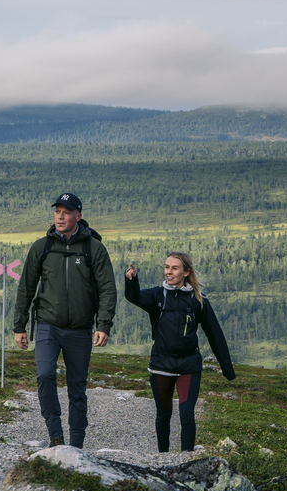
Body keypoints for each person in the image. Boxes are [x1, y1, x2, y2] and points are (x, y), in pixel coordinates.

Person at [13, 192, 117, 448]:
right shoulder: (42, 247)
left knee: (77, 388)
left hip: (81, 330)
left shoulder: (94, 248)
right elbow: (26, 288)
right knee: (45, 376)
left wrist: (103, 325)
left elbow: (107, 289)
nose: (60, 217)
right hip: (47, 325)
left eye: (66, 212)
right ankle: (55, 436)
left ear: (78, 216)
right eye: (57, 211)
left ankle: (77, 445)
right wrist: (19, 326)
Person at [124, 252, 235, 452]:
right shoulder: (157, 295)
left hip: (189, 366)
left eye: (174, 268)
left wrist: (227, 369)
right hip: (161, 365)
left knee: (187, 414)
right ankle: (163, 458)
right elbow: (135, 297)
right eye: (167, 267)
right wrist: (132, 280)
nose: (169, 272)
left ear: (186, 272)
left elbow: (215, 335)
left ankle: (186, 459)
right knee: (163, 415)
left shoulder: (198, 300)